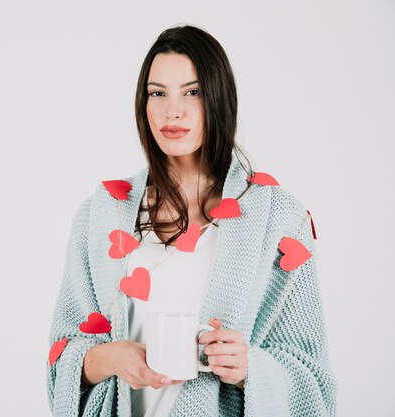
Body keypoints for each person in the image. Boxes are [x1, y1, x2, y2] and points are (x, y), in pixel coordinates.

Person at [46, 24, 336, 417]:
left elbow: (314, 381)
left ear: (219, 99)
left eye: (192, 92)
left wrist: (248, 369)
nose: (172, 110)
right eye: (157, 93)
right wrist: (113, 358)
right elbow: (61, 360)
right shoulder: (101, 214)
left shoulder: (280, 220)